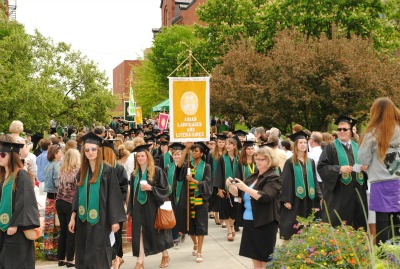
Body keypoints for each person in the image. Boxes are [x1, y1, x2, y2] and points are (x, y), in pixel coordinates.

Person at [68, 132, 126, 269]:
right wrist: (73, 216)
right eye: (87, 150)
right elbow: (77, 195)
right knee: (83, 252)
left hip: (102, 220)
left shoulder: (107, 170)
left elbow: (114, 196)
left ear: (99, 150)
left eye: (94, 149)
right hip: (83, 221)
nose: (90, 152)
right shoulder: (82, 171)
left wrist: (115, 220)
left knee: (98, 253)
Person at [226, 146, 281, 269]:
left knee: (265, 256)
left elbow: (265, 197)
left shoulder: (273, 177)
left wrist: (245, 188)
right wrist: (229, 185)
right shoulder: (253, 176)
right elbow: (239, 194)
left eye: (262, 159)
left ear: (270, 160)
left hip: (265, 221)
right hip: (249, 220)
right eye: (257, 159)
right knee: (254, 254)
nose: (258, 161)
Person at [358, 97, 400, 244]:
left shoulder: (372, 134)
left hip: (380, 182)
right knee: (397, 219)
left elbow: (363, 159)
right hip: (398, 180)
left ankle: (385, 254)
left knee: (382, 220)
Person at [317, 115, 368, 230]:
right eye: (339, 129)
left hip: (357, 195)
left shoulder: (358, 147)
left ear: (351, 132)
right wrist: (339, 169)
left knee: (358, 225)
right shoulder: (331, 148)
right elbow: (321, 167)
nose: (341, 131)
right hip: (339, 197)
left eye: (345, 129)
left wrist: (365, 168)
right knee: (339, 225)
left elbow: (365, 165)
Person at [126, 144, 173, 269]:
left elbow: (166, 189)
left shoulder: (156, 171)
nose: (140, 158)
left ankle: (165, 255)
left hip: (152, 207)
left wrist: (151, 188)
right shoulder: (134, 174)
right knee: (139, 233)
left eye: (143, 155)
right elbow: (132, 194)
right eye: (138, 156)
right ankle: (140, 261)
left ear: (148, 157)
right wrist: (130, 209)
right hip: (138, 208)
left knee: (157, 232)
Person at [0, 134, 40, 268]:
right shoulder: (2, 177)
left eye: (2, 154)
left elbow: (25, 202)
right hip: (2, 230)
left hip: (16, 231)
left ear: (12, 155)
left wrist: (14, 224)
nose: (0, 157)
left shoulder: (21, 175)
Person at [174, 142, 213, 263]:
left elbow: (207, 184)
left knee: (200, 227)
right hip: (188, 200)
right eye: (193, 151)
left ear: (201, 153)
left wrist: (194, 181)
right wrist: (186, 149)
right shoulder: (188, 164)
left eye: (196, 151)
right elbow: (179, 167)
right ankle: (195, 243)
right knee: (189, 226)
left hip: (200, 200)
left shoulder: (206, 167)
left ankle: (200, 252)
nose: (194, 153)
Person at [280, 131, 322, 240]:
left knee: (309, 221)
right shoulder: (290, 162)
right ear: (296, 145)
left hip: (310, 197)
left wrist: (319, 195)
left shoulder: (311, 162)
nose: (303, 144)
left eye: (305, 142)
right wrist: (286, 200)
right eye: (300, 143)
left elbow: (314, 179)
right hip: (295, 198)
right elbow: (285, 181)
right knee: (294, 222)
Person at [102, 141, 129, 269]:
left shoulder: (118, 169)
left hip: (114, 209)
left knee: (115, 235)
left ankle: (116, 258)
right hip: (102, 209)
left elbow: (123, 189)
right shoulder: (98, 169)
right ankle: (113, 259)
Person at [56, 149, 80, 267]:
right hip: (70, 202)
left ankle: (61, 257)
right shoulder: (77, 171)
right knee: (71, 231)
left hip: (59, 201)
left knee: (63, 231)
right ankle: (70, 259)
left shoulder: (61, 170)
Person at [215, 137, 239, 242]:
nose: (228, 145)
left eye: (230, 144)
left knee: (236, 210)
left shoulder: (239, 158)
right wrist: (219, 188)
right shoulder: (222, 158)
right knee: (225, 210)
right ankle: (229, 231)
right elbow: (218, 173)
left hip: (238, 189)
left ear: (235, 146)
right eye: (227, 144)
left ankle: (232, 225)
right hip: (225, 190)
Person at [43, 144, 63, 261]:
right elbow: (57, 184)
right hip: (55, 198)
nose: (61, 154)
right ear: (55, 154)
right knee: (55, 225)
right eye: (60, 152)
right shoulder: (56, 166)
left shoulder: (48, 165)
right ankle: (53, 251)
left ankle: (48, 250)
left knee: (49, 225)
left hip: (49, 198)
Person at [164, 142, 186, 247]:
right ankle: (175, 236)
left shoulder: (186, 166)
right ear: (172, 156)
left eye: (179, 154)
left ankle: (183, 232)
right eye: (175, 154)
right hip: (171, 194)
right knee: (173, 215)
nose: (177, 156)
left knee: (182, 215)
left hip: (183, 194)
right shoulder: (168, 167)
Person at [207, 134, 226, 226]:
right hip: (214, 179)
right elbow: (209, 167)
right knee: (216, 199)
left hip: (225, 178)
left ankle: (223, 217)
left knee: (223, 199)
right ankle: (216, 216)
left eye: (223, 142)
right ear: (217, 143)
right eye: (220, 142)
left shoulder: (226, 153)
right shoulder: (211, 154)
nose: (221, 143)